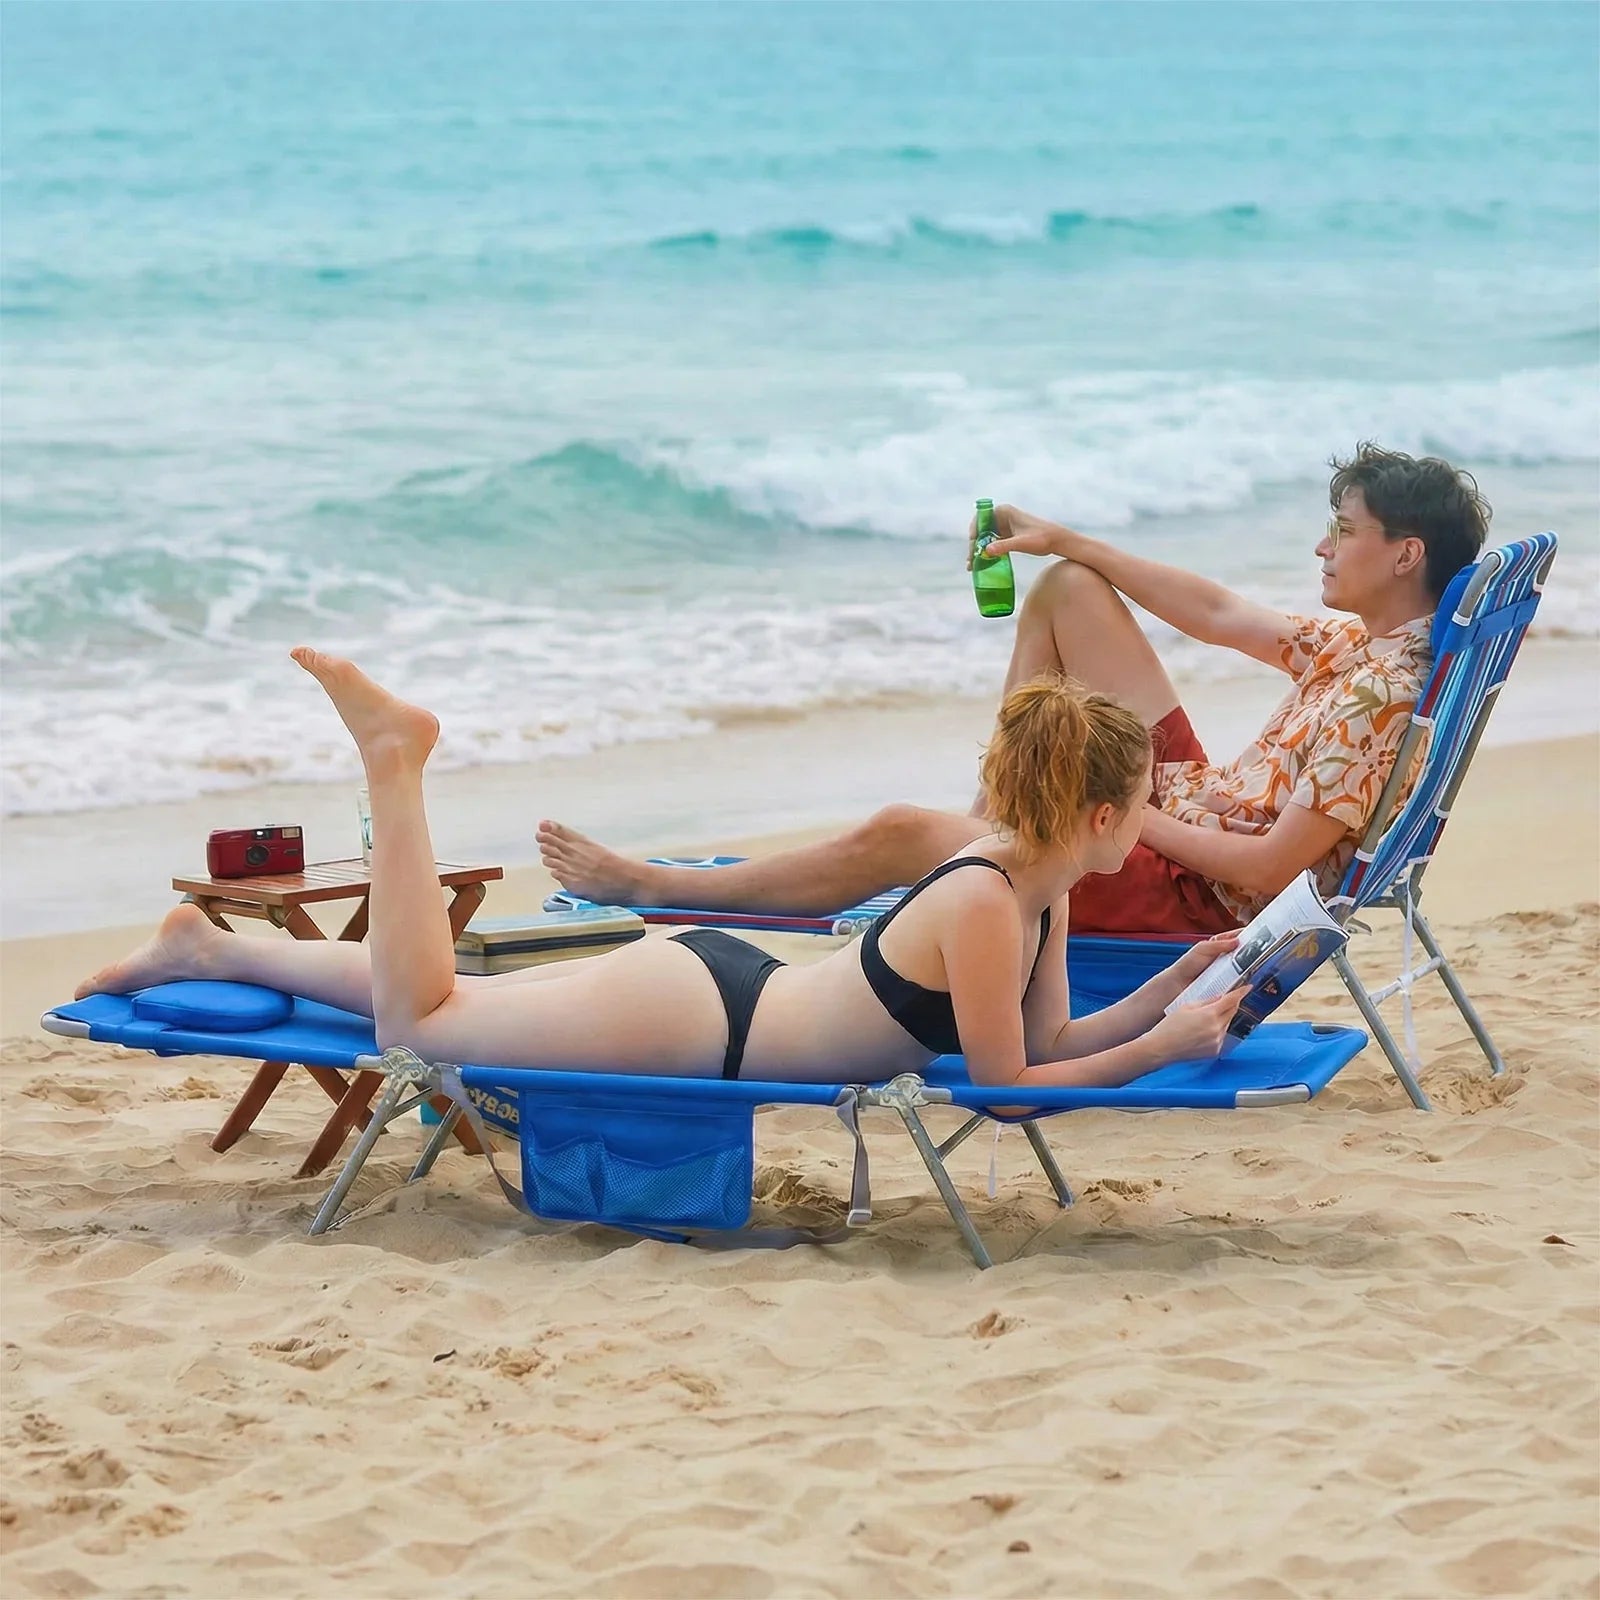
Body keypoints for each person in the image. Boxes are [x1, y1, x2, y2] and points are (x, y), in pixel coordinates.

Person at [78, 656, 1245, 1090]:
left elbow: (1050, 1044)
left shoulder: (1034, 891)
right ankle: (395, 761)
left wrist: (1170, 993)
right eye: (1146, 798)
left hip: (723, 995)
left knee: (447, 1002)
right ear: (1098, 815)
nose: (1153, 816)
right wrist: (1160, 1051)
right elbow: (1006, 1086)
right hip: (700, 1023)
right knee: (419, 1026)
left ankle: (208, 946)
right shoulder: (988, 900)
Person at [536, 442, 1490, 935]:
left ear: (1404, 554)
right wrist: (1065, 538)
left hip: (1189, 890)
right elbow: (1215, 611)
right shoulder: (1363, 647)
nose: (1323, 546)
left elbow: (1267, 875)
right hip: (1186, 807)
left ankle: (656, 886)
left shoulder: (1380, 694)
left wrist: (1126, 813)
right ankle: (991, 825)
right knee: (1070, 589)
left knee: (897, 831)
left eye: (1344, 531)